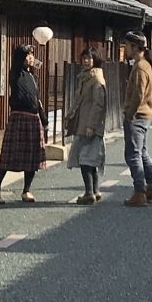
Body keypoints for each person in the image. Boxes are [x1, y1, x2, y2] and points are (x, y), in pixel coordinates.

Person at [0, 44, 47, 204]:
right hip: (18, 117)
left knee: (32, 157)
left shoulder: (34, 78)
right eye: (27, 55)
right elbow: (17, 59)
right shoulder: (15, 74)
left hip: (33, 118)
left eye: (32, 55)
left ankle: (26, 190)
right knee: (9, 155)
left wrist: (44, 120)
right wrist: (24, 52)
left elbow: (38, 100)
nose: (30, 57)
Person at [122, 30, 152, 207]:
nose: (125, 49)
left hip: (137, 116)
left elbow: (138, 94)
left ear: (135, 47)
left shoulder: (139, 67)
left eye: (127, 46)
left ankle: (139, 192)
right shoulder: (146, 65)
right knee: (142, 152)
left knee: (133, 155)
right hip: (145, 114)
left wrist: (129, 115)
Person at [66, 46, 107, 205]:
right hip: (83, 123)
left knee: (86, 159)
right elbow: (78, 100)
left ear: (95, 60)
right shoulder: (85, 78)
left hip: (90, 126)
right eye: (84, 58)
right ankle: (95, 191)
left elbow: (98, 105)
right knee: (90, 159)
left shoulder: (96, 79)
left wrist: (91, 125)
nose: (85, 61)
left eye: (89, 58)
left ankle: (89, 192)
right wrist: (69, 115)